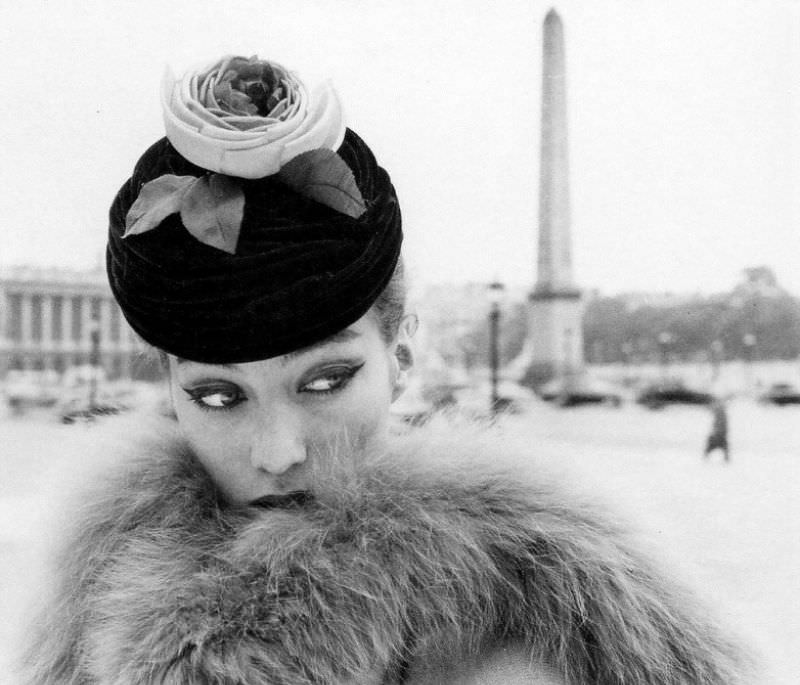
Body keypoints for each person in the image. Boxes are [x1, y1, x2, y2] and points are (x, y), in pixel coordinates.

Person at [21, 55, 751, 684]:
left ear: (400, 359)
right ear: (171, 396)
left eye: (326, 380)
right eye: (219, 395)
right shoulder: (93, 589)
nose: (279, 451)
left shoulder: (508, 644)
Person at [704, 397, 730, 462]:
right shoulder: (721, 412)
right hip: (720, 432)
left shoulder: (720, 413)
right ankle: (726, 458)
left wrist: (717, 431)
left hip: (719, 433)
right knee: (722, 445)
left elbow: (721, 424)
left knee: (715, 444)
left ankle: (706, 456)